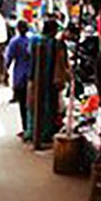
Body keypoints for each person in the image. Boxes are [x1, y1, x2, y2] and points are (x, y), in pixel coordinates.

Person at [26, 19, 70, 148]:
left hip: (35, 78)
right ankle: (44, 134)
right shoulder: (54, 43)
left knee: (34, 106)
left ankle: (34, 132)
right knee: (48, 106)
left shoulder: (34, 40)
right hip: (49, 80)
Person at [5, 20, 33, 136]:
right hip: (31, 75)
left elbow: (9, 58)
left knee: (22, 104)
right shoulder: (31, 40)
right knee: (31, 104)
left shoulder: (14, 42)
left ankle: (26, 128)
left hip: (20, 76)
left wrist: (4, 71)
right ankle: (30, 128)